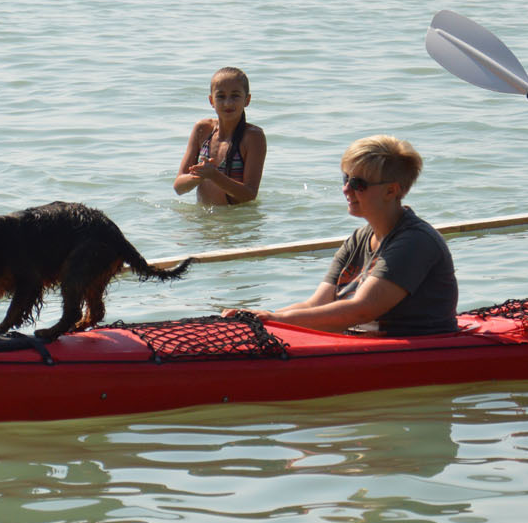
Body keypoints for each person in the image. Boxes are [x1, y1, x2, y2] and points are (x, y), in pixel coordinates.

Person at [236, 135, 457, 334]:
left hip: (416, 347)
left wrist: (276, 319)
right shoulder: (358, 240)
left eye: (358, 184)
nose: (346, 189)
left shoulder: (415, 242)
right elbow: (316, 305)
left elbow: (360, 311)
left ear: (391, 191)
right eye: (346, 179)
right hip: (364, 341)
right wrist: (260, 319)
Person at [173, 66, 266, 205]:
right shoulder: (202, 130)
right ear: (211, 101)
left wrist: (214, 176)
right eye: (221, 96)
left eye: (235, 96)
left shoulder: (253, 137)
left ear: (247, 100)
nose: (228, 103)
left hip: (237, 222)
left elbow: (249, 194)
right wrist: (200, 176)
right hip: (203, 221)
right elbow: (178, 187)